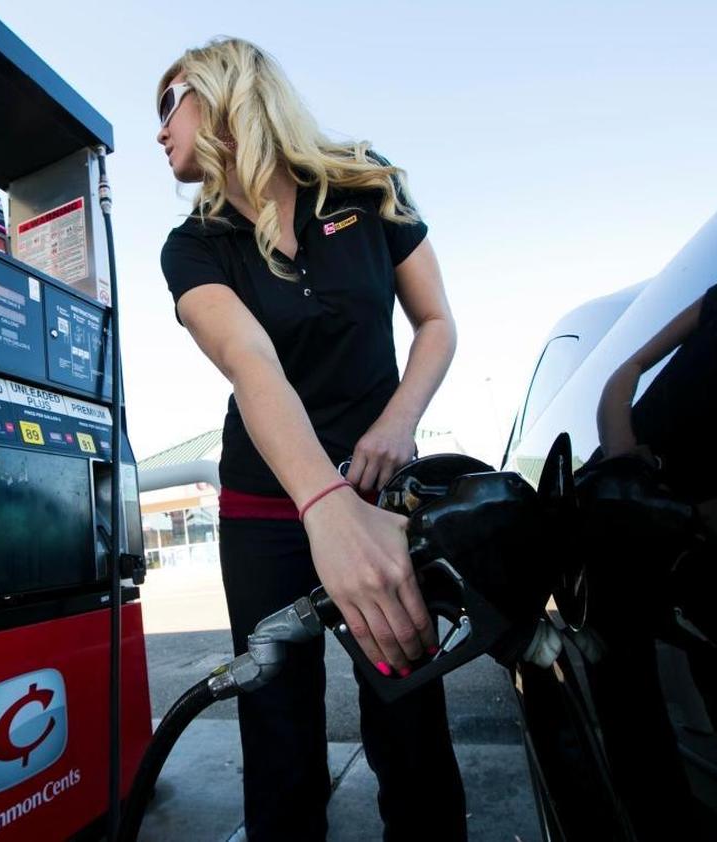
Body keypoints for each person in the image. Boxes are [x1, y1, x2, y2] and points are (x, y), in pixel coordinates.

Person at [156, 38, 465, 841]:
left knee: (408, 707)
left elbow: (435, 323)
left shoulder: (367, 183)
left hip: (380, 488)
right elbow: (249, 361)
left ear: (222, 92)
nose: (158, 130)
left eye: (169, 103)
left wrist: (397, 424)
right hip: (266, 507)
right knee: (278, 731)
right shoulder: (192, 246)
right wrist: (323, 502)